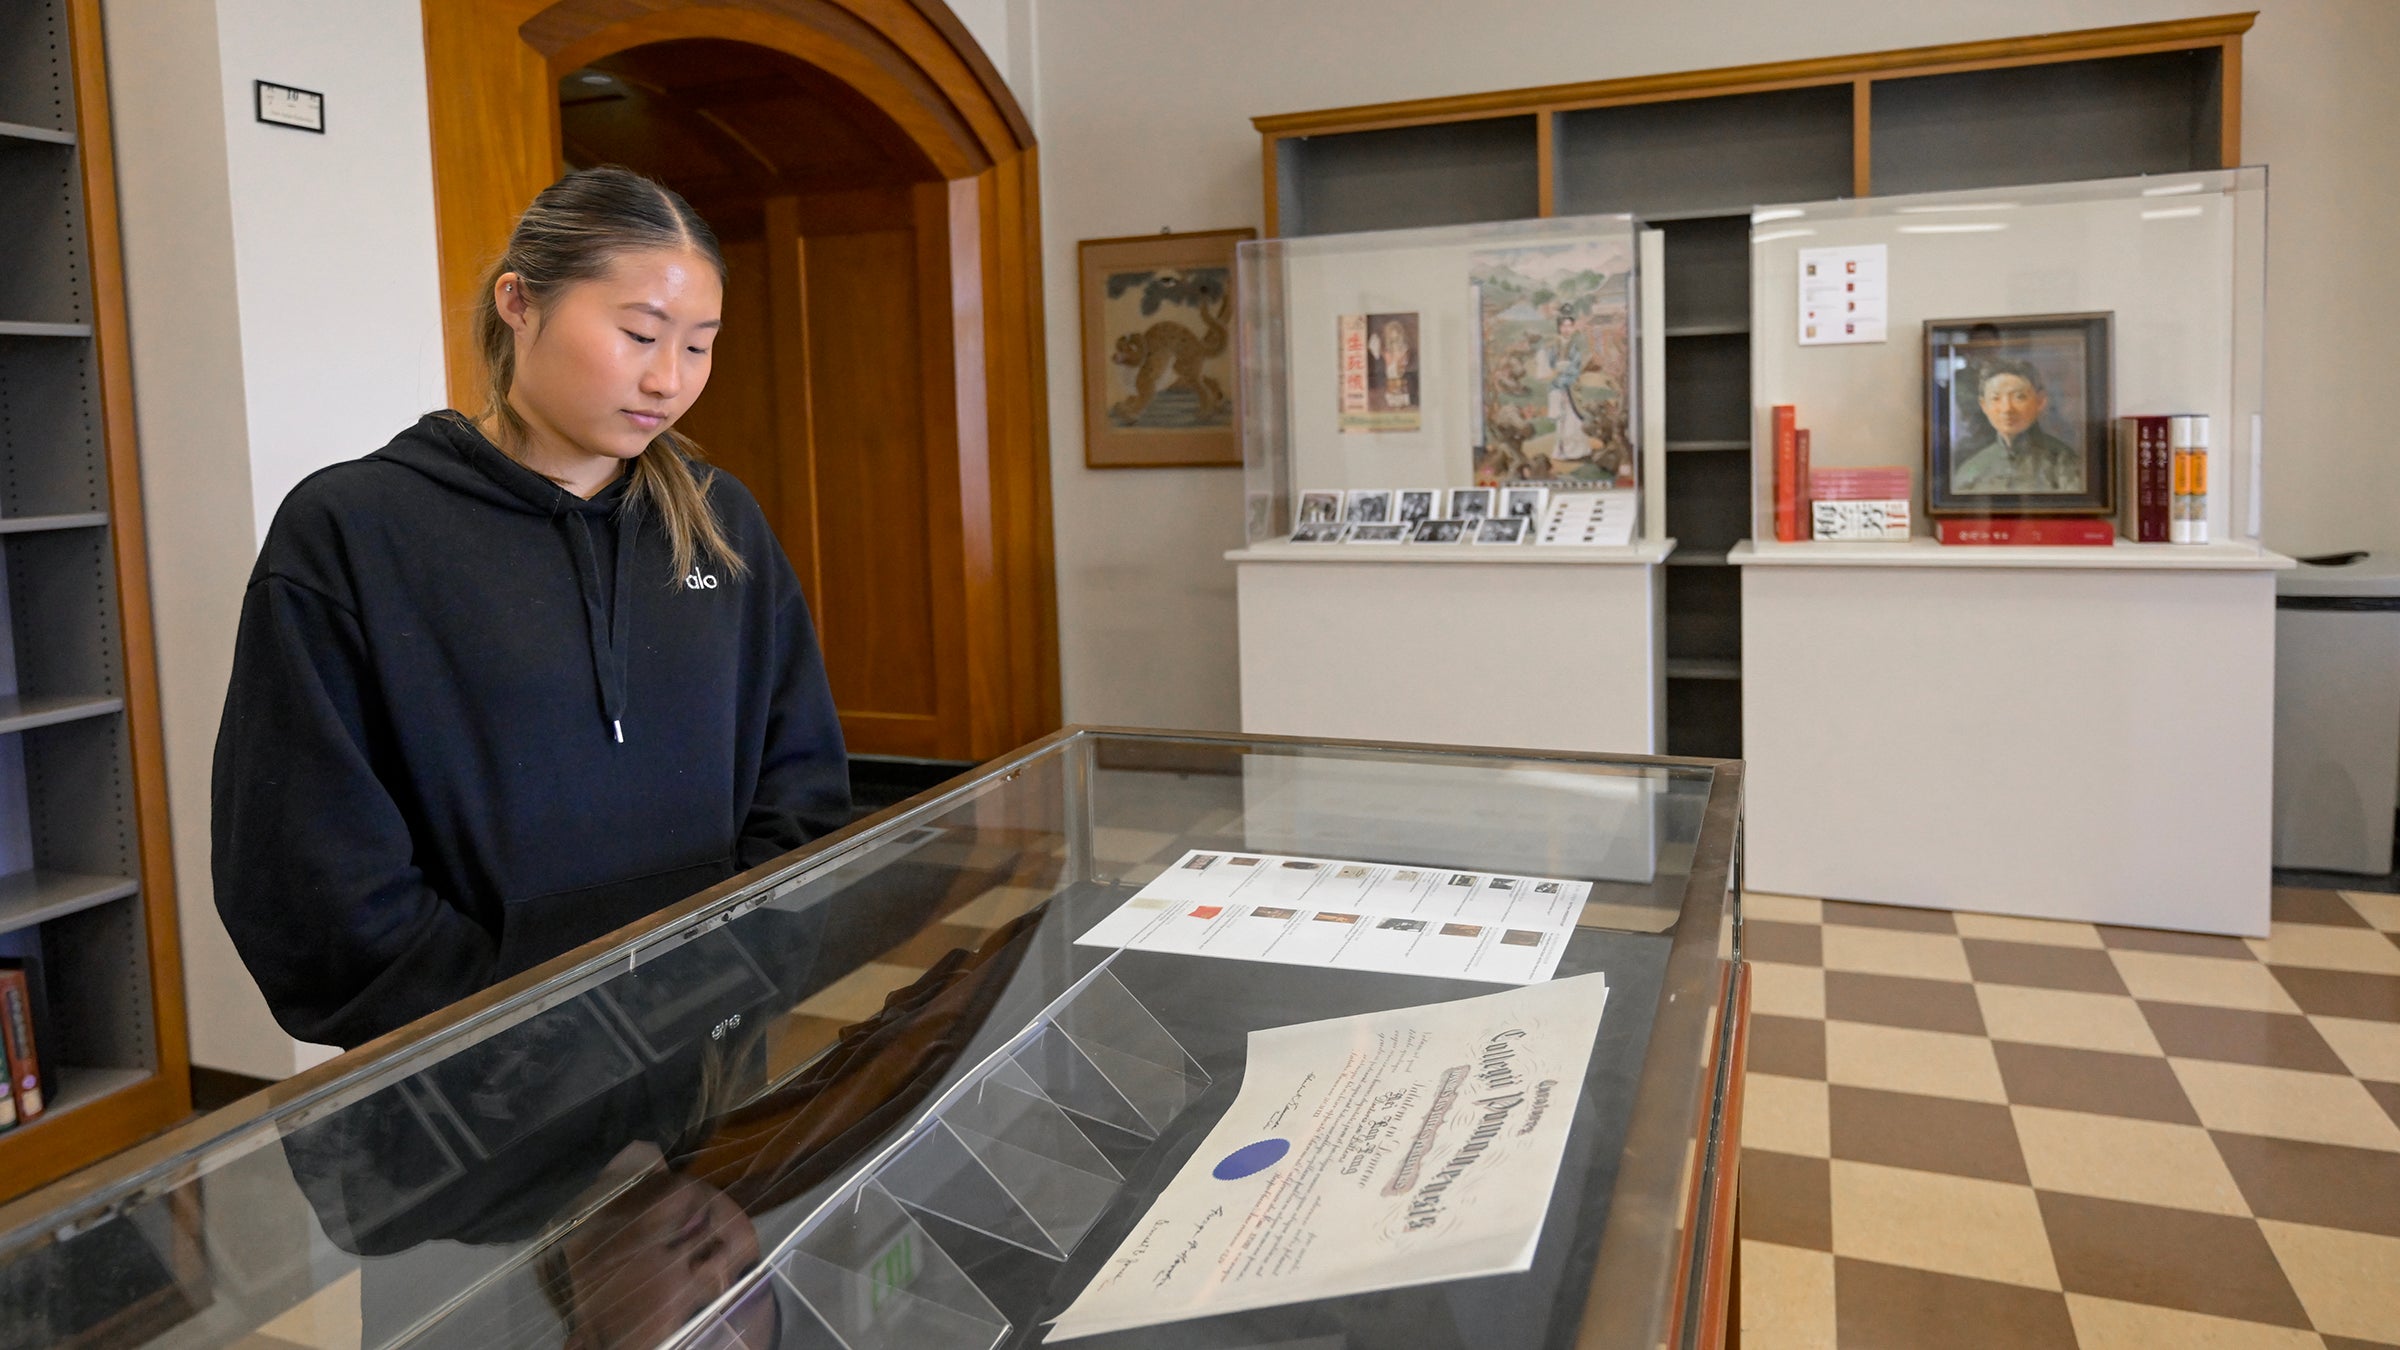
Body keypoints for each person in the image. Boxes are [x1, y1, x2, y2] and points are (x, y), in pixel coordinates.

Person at [211, 166, 851, 1051]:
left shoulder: (720, 521)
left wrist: (718, 991)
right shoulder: (354, 530)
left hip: (700, 1055)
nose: (669, 379)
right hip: (461, 1093)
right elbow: (306, 873)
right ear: (519, 302)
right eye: (638, 334)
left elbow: (802, 791)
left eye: (699, 345)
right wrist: (534, 1052)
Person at [1951, 358, 2083, 493]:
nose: (2007, 408)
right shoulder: (1970, 470)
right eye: (1996, 398)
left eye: (2019, 397)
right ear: (1984, 405)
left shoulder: (2063, 462)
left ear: (2040, 401)